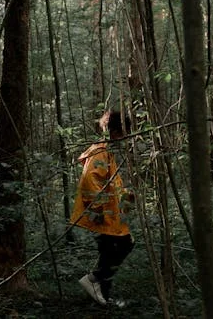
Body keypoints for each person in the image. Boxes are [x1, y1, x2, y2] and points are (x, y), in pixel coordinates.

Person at [70, 109, 135, 306]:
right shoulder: (100, 151)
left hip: (111, 214)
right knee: (123, 245)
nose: (124, 137)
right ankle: (93, 280)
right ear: (115, 131)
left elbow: (111, 182)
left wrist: (126, 198)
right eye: (123, 132)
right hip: (103, 215)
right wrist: (98, 208)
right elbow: (90, 180)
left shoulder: (106, 151)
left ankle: (103, 297)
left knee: (110, 251)